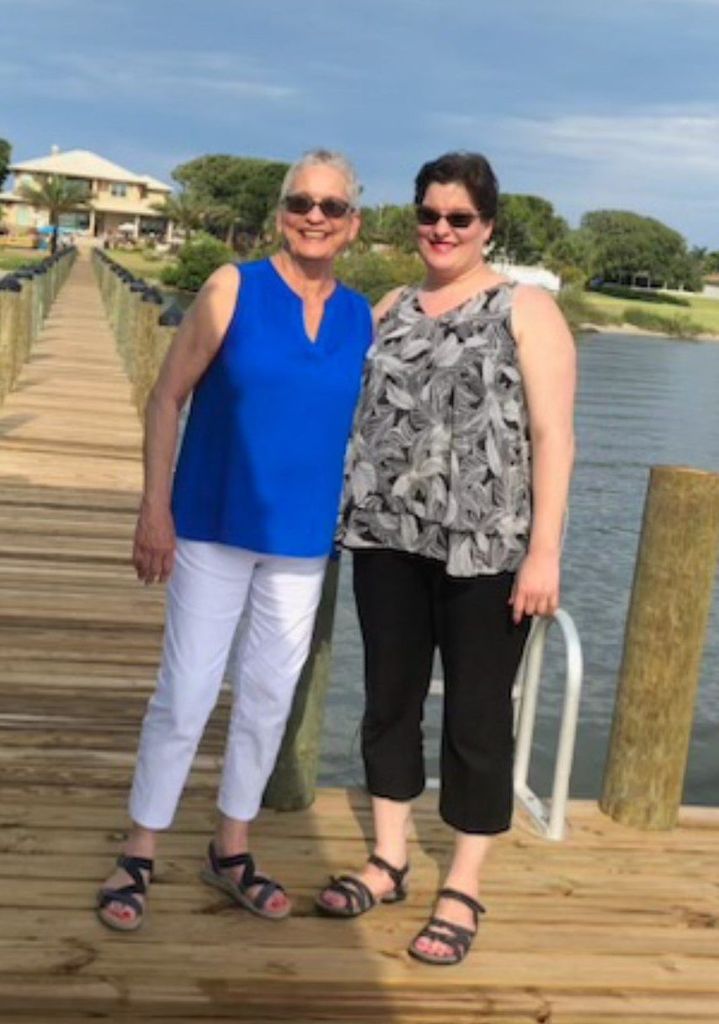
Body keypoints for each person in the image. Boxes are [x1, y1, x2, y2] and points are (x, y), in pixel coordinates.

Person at [96, 149, 372, 931]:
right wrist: (154, 508)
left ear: (352, 225)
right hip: (211, 523)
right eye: (300, 202)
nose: (313, 216)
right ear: (280, 213)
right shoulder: (232, 287)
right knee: (186, 693)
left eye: (330, 206)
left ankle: (231, 849)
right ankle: (139, 850)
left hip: (300, 539)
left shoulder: (363, 316)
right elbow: (165, 397)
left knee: (268, 696)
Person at [316, 152, 576, 965]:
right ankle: (389, 858)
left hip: (486, 549)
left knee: (476, 717)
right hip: (387, 538)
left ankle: (462, 883)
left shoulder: (525, 308)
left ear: (485, 226)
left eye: (458, 217)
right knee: (388, 701)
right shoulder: (391, 306)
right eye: (428, 214)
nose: (440, 229)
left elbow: (553, 436)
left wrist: (543, 552)